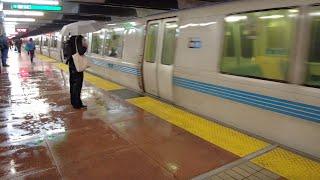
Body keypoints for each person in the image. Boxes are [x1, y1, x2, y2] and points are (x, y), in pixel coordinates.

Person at [66, 35, 88, 109]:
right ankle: (77, 104)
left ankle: (73, 102)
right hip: (77, 66)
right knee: (77, 86)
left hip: (71, 65)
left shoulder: (70, 40)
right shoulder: (78, 39)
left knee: (72, 84)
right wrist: (85, 46)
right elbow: (81, 52)